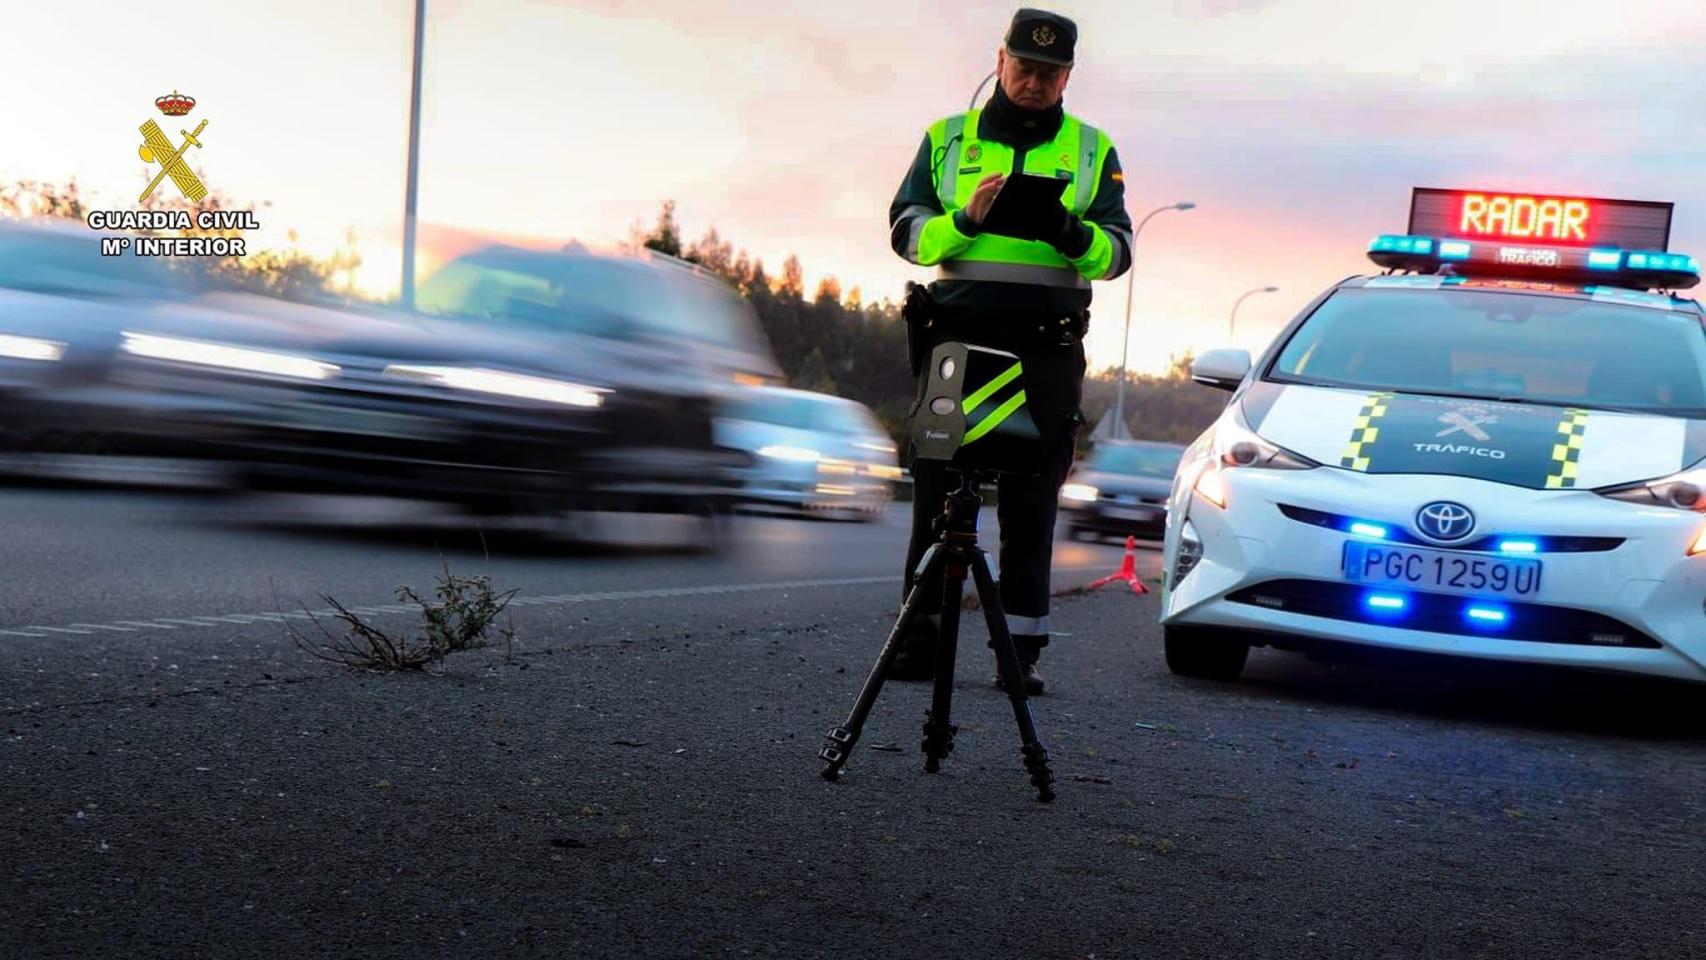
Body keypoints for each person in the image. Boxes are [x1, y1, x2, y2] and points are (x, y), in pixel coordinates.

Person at [886, 7, 1133, 694]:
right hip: (957, 344)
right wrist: (964, 222)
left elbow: (1118, 253)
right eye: (1024, 67)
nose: (1034, 82)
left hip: (1046, 354)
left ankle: (1018, 655)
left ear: (1068, 77)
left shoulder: (1091, 149)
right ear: (1000, 61)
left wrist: (1068, 232)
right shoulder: (947, 138)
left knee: (1032, 508)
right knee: (937, 498)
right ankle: (917, 642)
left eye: (1049, 73)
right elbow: (906, 232)